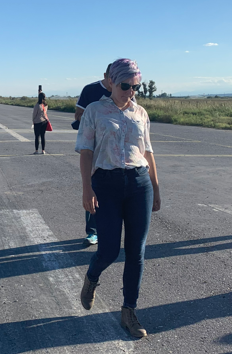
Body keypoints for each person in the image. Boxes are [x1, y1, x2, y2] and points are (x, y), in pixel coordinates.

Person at [75, 58, 161, 338]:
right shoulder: (94, 110)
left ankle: (129, 311)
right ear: (111, 82)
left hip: (138, 184)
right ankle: (92, 278)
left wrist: (155, 187)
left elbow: (147, 152)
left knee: (137, 252)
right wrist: (87, 189)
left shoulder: (140, 113)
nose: (131, 91)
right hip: (107, 184)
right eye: (126, 85)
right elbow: (86, 151)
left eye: (136, 86)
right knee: (109, 250)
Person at [72, 64, 113, 246]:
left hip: (115, 150)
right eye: (113, 77)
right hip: (95, 148)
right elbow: (78, 114)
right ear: (105, 75)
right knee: (93, 187)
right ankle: (93, 231)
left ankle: (110, 228)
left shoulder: (126, 90)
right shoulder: (91, 90)